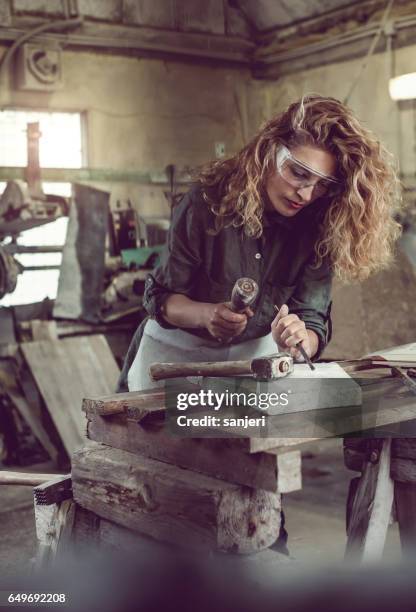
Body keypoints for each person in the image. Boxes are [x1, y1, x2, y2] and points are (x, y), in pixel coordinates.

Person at [118, 94, 401, 393]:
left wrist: (300, 339)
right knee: (162, 435)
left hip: (252, 365)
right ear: (269, 151)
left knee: (246, 438)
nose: (305, 194)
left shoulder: (320, 224)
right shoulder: (206, 203)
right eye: (298, 174)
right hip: (173, 359)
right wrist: (208, 315)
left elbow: (312, 318)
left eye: (322, 185)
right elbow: (162, 299)